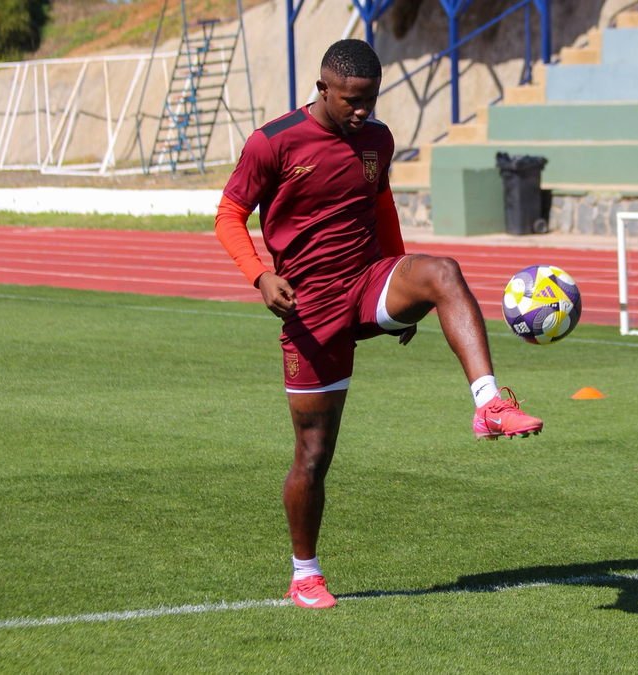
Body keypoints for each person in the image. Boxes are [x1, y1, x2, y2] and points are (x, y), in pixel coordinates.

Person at [215, 39, 543, 610]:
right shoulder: (272, 143)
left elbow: (383, 206)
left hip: (368, 282)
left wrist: (402, 284)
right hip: (308, 309)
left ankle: (488, 404)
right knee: (314, 457)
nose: (362, 110)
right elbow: (228, 215)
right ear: (323, 89)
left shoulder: (378, 139)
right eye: (350, 100)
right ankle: (305, 574)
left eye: (369, 99)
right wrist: (259, 275)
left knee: (442, 272)